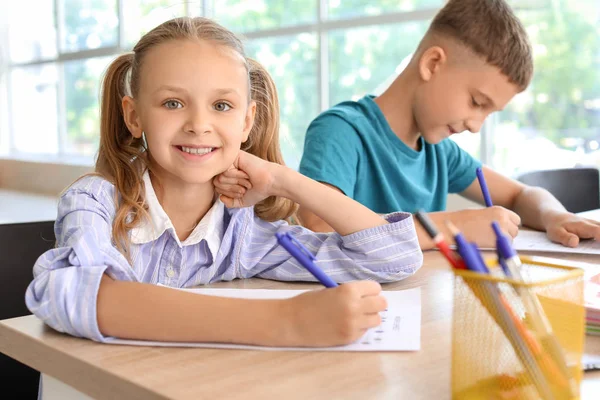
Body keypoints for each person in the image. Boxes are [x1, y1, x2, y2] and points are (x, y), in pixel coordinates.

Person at [25, 17, 423, 348]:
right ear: (134, 116)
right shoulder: (94, 203)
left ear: (246, 121)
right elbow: (75, 294)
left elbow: (393, 257)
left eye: (221, 106)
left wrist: (284, 180)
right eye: (172, 103)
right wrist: (287, 321)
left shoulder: (242, 233)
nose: (199, 125)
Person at [287, 0, 600, 250]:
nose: (477, 126)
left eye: (489, 113)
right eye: (477, 102)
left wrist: (555, 216)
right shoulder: (341, 131)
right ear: (433, 64)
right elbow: (319, 225)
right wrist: (455, 227)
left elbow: (520, 194)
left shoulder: (440, 153)